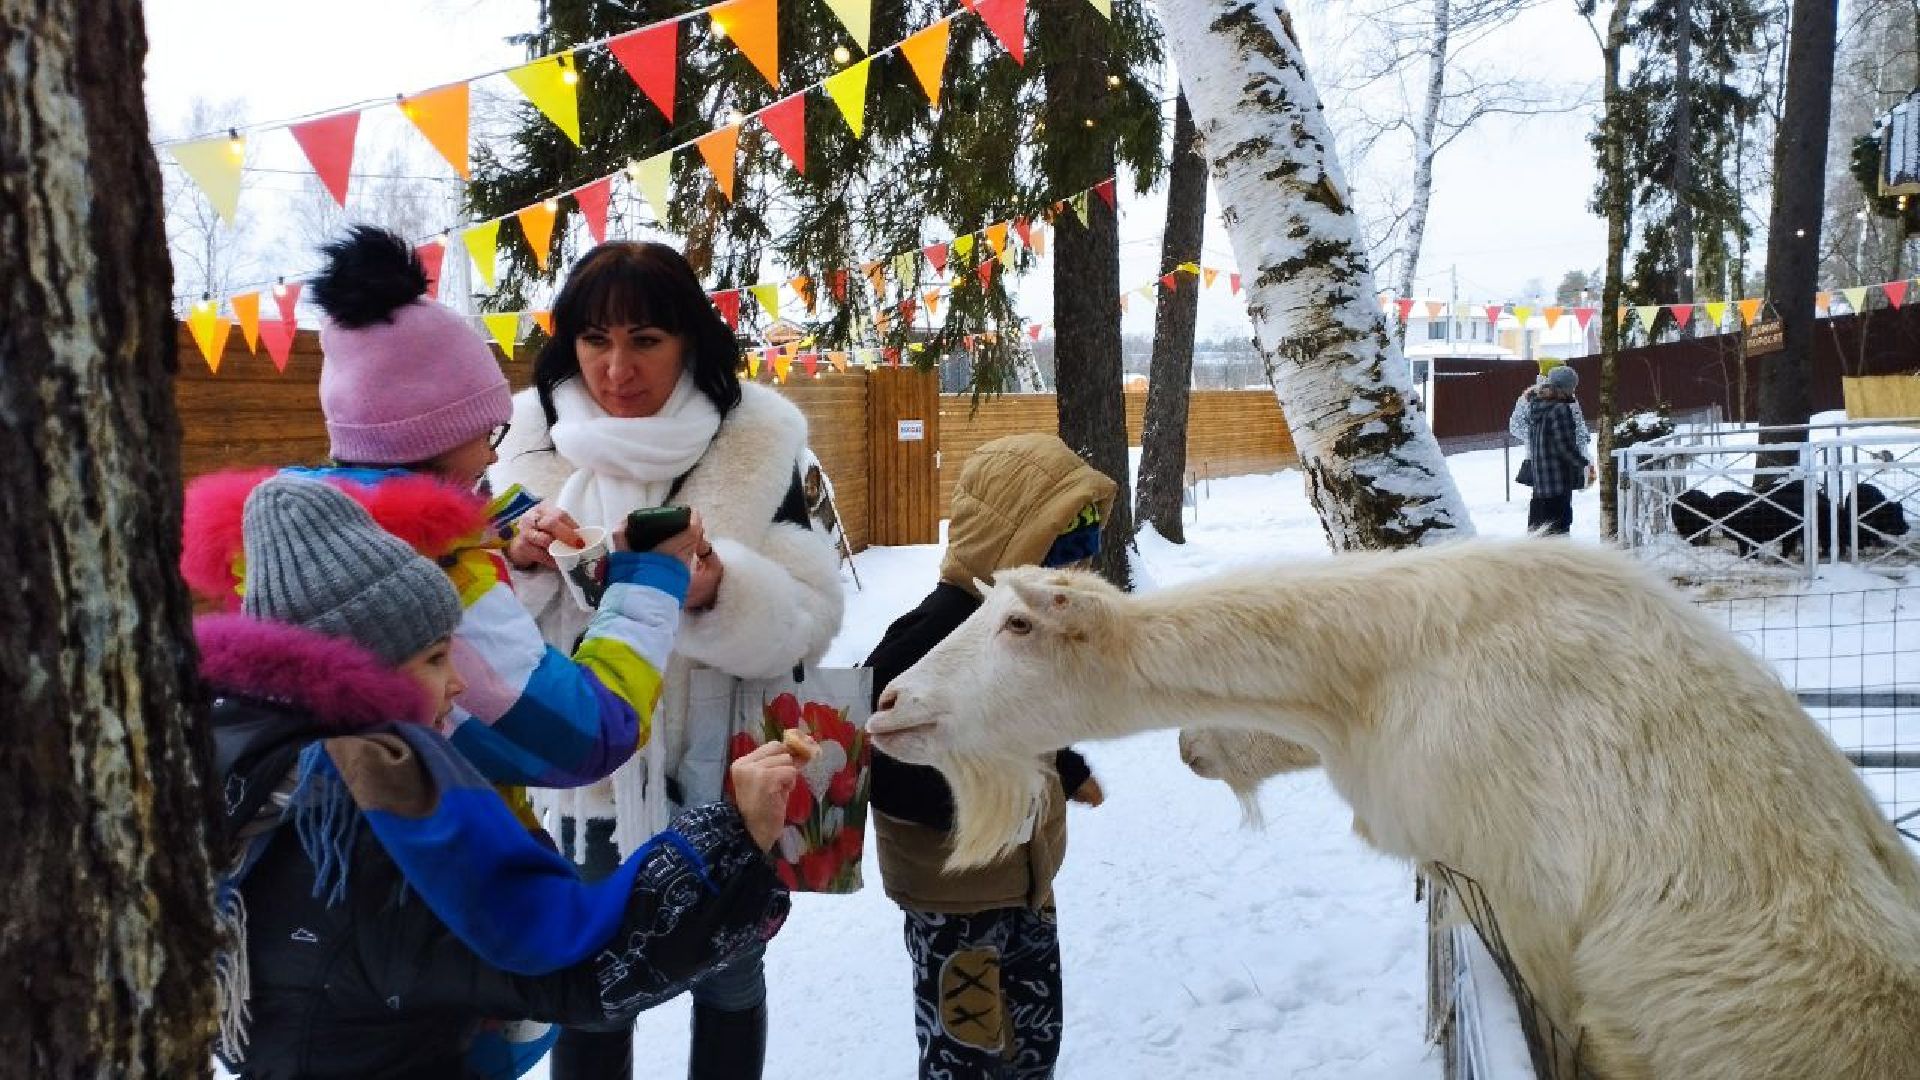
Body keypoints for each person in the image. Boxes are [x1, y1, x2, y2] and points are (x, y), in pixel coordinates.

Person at [202, 475, 797, 1078]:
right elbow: (579, 964)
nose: (459, 683)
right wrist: (734, 835)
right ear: (363, 674)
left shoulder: (247, 764)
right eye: (437, 658)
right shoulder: (382, 803)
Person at [490, 241, 844, 1080]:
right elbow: (475, 631)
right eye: (595, 340)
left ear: (689, 340)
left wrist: (719, 590)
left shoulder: (758, 447)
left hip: (723, 774)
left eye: (645, 340)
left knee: (729, 976)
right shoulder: (524, 451)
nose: (617, 369)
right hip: (582, 777)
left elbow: (813, 616)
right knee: (589, 981)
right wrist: (519, 564)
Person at [863, 433, 1113, 1079]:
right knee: (967, 1053)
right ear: (1011, 539)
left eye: (1090, 526)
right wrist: (986, 800)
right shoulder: (933, 634)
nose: (1084, 551)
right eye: (1065, 531)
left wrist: (1067, 770)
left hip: (1026, 882)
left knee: (1034, 1039)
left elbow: (1028, 727)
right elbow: (882, 754)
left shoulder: (1023, 633)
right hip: (955, 896)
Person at [1524, 365, 1590, 535]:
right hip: (1558, 485)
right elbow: (1565, 447)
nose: (1572, 392)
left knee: (1540, 538)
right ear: (1564, 388)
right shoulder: (1559, 409)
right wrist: (1584, 464)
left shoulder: (1536, 406)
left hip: (1540, 488)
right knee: (1558, 538)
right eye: (1572, 388)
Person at [1508, 365, 1597, 488]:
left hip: (1554, 461)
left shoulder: (1565, 398)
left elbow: (1578, 426)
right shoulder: (1531, 398)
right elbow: (1516, 426)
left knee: (1551, 495)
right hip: (1548, 462)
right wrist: (1543, 438)